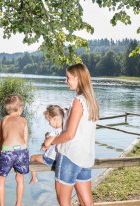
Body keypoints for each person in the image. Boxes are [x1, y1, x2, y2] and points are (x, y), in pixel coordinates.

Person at [44, 63, 99, 206]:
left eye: (68, 77)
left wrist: (51, 140)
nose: (65, 81)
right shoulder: (92, 101)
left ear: (77, 78)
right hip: (85, 157)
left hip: (70, 156)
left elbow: (69, 134)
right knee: (86, 202)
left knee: (64, 202)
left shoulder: (78, 101)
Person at [0, 95, 29, 206]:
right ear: (20, 108)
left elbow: (1, 139)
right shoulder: (23, 120)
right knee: (20, 178)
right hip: (21, 151)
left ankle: (1, 204)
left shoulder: (3, 120)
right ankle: (19, 203)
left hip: (7, 151)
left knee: (2, 179)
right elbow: (26, 140)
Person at [29, 105, 65, 184]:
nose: (49, 123)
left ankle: (34, 178)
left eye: (49, 121)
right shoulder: (65, 130)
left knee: (32, 157)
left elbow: (47, 144)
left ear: (54, 118)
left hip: (50, 159)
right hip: (61, 159)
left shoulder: (55, 132)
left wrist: (46, 140)